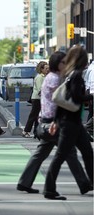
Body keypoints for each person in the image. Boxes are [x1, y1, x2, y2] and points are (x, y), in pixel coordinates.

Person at [17, 51, 93, 196]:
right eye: (63, 62)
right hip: (53, 123)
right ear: (57, 64)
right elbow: (60, 101)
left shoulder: (52, 78)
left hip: (46, 122)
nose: (66, 64)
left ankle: (24, 182)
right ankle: (83, 184)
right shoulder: (55, 79)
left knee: (40, 154)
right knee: (69, 153)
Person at [44, 45, 94, 200]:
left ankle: (89, 183)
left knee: (88, 153)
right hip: (70, 124)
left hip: (72, 122)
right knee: (61, 156)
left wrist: (56, 121)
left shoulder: (68, 74)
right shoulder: (76, 75)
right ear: (82, 59)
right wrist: (90, 96)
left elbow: (62, 100)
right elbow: (75, 98)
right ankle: (49, 189)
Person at [22, 61, 49, 138]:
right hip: (37, 98)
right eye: (46, 68)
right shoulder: (40, 77)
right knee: (33, 115)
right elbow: (41, 89)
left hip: (40, 98)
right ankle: (26, 131)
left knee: (38, 116)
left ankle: (36, 132)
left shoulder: (44, 76)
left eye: (48, 68)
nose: (47, 70)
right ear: (41, 69)